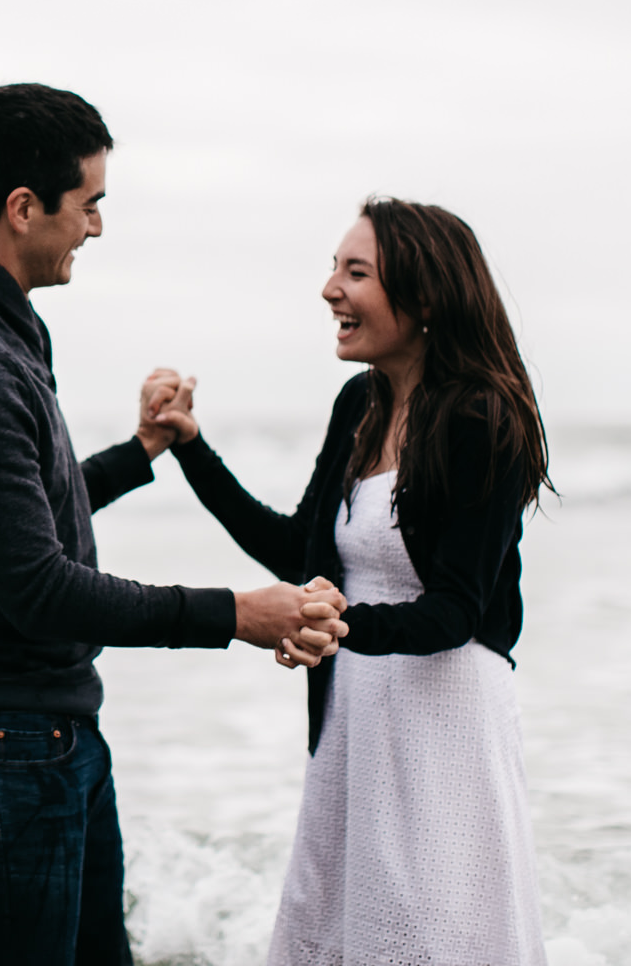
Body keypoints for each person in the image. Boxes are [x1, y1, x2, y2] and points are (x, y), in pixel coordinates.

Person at [0, 83, 349, 966]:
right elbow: (39, 590)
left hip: (34, 738)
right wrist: (236, 615)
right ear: (24, 208)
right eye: (88, 205)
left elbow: (22, 520)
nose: (95, 227)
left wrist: (143, 451)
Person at [145, 197, 552, 964]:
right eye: (334, 268)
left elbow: (456, 611)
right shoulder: (360, 403)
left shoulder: (481, 417)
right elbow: (302, 551)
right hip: (353, 723)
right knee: (332, 933)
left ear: (426, 295)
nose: (330, 289)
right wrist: (189, 449)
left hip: (443, 722)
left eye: (355, 271)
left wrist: (336, 627)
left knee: (431, 938)